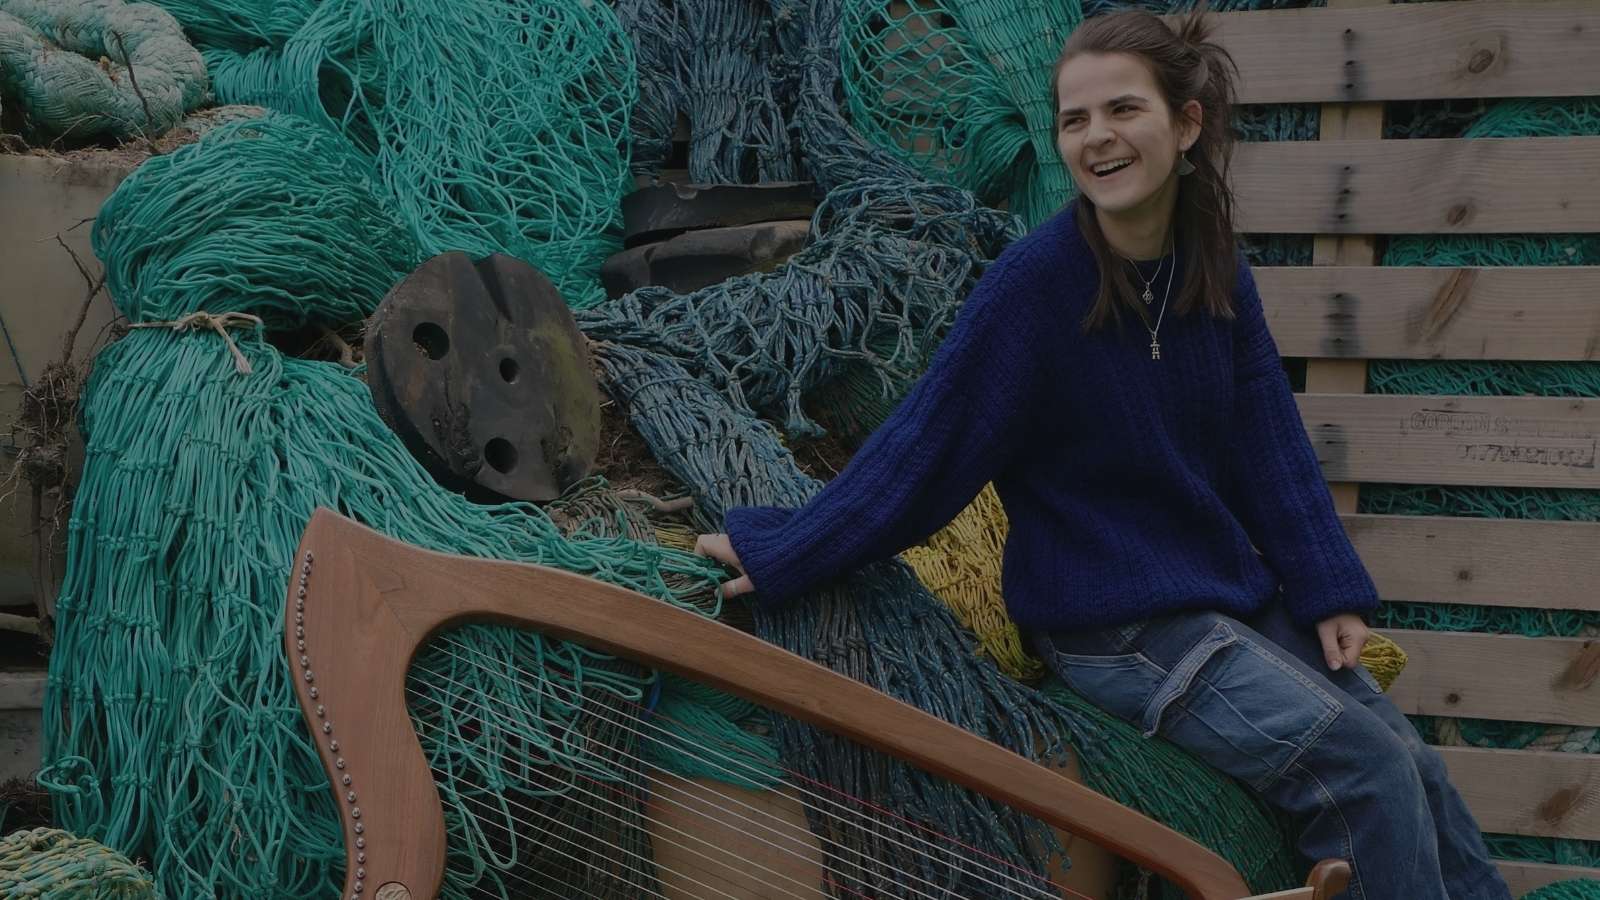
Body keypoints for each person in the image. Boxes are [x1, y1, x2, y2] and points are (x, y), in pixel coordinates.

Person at [694, 9, 1510, 900]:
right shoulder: (1036, 287)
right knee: (1365, 769)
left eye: (1123, 110)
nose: (1097, 139)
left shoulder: (1211, 266)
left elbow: (1265, 437)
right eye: (1075, 120)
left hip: (1220, 596)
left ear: (1185, 124)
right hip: (1113, 628)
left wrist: (1329, 587)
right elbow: (927, 449)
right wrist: (791, 549)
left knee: (1410, 758)